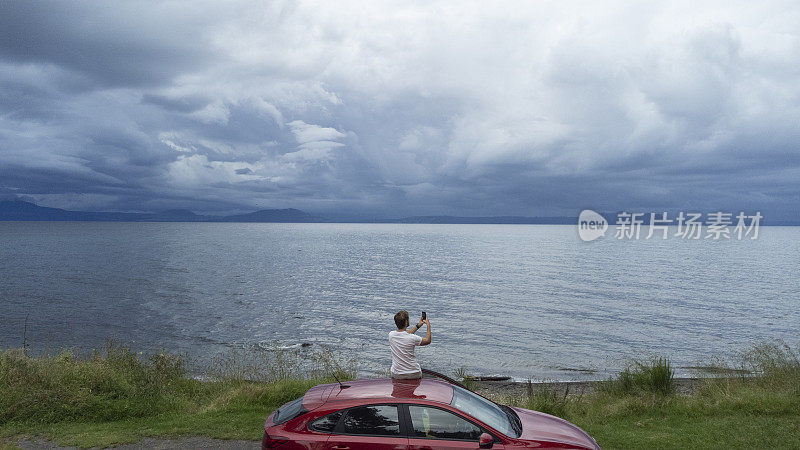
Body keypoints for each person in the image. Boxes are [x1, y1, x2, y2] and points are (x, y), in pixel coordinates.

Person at [389, 310, 431, 379]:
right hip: (414, 373)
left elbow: (403, 334)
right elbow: (428, 340)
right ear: (406, 322)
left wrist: (418, 325)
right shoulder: (413, 338)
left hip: (397, 374)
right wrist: (428, 325)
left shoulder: (391, 335)